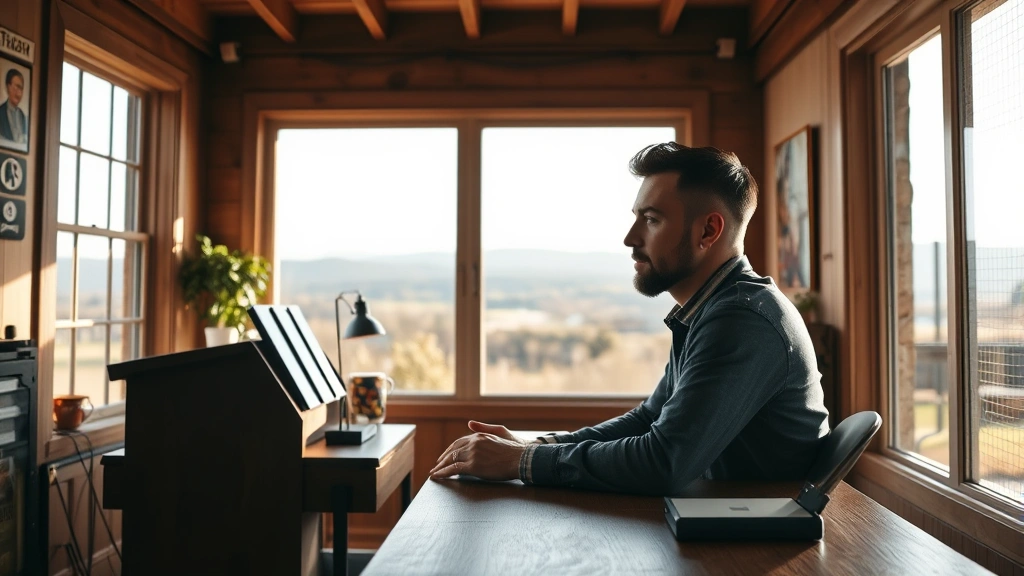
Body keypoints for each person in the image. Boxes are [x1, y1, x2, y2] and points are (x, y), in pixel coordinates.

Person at [429, 143, 830, 496]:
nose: (630, 237)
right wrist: (528, 447)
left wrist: (521, 463)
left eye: (652, 219)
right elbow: (649, 419)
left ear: (708, 230)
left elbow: (662, 461)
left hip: (755, 552)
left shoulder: (742, 319)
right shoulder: (714, 308)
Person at [0, 69, 27, 147]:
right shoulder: (1, 112)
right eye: (16, 87)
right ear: (8, 87)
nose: (19, 93)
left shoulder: (22, 116)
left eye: (21, 88)